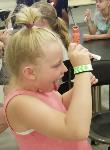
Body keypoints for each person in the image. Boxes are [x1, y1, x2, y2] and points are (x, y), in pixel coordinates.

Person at [3, 6, 97, 150]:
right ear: (30, 73)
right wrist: (82, 71)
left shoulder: (41, 87)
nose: (64, 69)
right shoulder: (19, 103)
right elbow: (77, 131)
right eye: (56, 65)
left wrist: (80, 86)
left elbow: (59, 103)